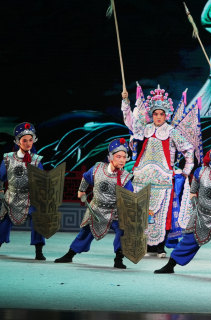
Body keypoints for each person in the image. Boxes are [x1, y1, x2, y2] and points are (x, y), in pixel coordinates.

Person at [122, 86, 199, 256]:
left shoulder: (171, 132)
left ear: (166, 115)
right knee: (142, 211)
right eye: (156, 114)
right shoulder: (146, 128)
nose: (158, 117)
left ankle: (159, 246)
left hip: (163, 178)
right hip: (142, 177)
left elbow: (188, 149)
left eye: (161, 114)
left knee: (162, 213)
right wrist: (126, 102)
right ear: (152, 115)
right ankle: (144, 244)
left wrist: (187, 170)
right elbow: (130, 122)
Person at [153, 145, 211, 280]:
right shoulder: (200, 173)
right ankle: (170, 265)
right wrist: (195, 205)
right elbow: (193, 192)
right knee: (188, 241)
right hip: (200, 215)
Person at [54, 138, 135, 269]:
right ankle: (70, 254)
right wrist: (81, 190)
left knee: (122, 231)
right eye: (118, 156)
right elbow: (86, 177)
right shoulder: (97, 168)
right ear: (110, 157)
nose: (122, 160)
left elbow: (129, 197)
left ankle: (119, 258)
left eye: (124, 157)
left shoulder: (125, 177)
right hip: (96, 209)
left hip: (115, 212)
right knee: (85, 231)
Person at [0, 123, 47, 259]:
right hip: (12, 195)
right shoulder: (8, 158)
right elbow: (1, 177)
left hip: (31, 197)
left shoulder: (36, 160)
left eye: (30, 140)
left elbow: (41, 179)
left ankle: (39, 251)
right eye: (24, 140)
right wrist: (1, 191)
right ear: (17, 141)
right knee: (3, 220)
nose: (28, 143)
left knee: (39, 219)